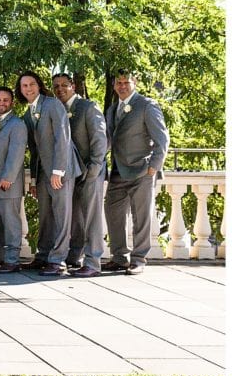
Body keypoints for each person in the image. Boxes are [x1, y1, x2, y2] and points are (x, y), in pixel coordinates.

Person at [103, 70, 169, 275]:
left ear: (135, 83)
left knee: (141, 216)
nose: (122, 86)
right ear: (114, 85)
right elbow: (108, 140)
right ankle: (119, 257)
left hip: (142, 169)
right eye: (119, 82)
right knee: (112, 212)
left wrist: (154, 166)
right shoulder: (113, 109)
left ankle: (139, 259)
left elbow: (162, 139)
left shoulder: (147, 105)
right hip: (118, 171)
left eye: (126, 82)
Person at [16, 71, 81, 276]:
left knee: (62, 216)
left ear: (39, 85)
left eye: (32, 84)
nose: (28, 88)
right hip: (43, 173)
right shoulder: (27, 114)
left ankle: (58, 260)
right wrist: (35, 179)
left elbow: (63, 138)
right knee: (46, 215)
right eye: (24, 86)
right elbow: (34, 150)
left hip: (60, 170)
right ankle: (43, 255)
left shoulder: (53, 105)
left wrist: (58, 171)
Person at [52, 72, 108, 278]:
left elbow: (100, 140)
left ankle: (93, 262)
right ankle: (74, 257)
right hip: (69, 175)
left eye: (64, 85)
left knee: (91, 218)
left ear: (73, 86)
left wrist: (94, 168)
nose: (60, 89)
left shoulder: (88, 107)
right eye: (56, 86)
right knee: (75, 218)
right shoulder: (57, 109)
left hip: (90, 172)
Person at [0, 87, 28, 274]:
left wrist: (8, 177)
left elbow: (16, 153)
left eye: (5, 100)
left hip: (7, 184)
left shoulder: (17, 124)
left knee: (11, 223)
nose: (1, 103)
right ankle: (0, 257)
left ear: (12, 103)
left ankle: (12, 259)